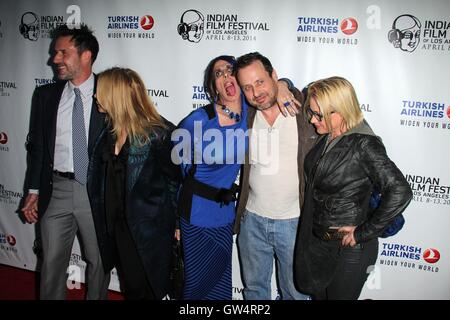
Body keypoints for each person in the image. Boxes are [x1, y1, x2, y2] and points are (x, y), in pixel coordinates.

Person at [172, 54, 297, 300]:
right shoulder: (198, 120)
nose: (226, 77)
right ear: (213, 86)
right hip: (196, 212)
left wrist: (284, 85)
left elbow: (275, 85)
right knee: (197, 285)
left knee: (220, 282)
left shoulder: (251, 112)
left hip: (226, 213)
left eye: (230, 71)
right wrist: (176, 220)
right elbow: (177, 170)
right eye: (218, 74)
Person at [294, 76, 413, 300]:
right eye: (311, 112)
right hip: (319, 243)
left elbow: (400, 191)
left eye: (318, 115)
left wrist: (363, 232)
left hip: (349, 250)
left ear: (340, 111)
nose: (312, 120)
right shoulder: (328, 135)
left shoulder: (364, 144)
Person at [21, 24, 109, 299]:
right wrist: (33, 191)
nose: (55, 59)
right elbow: (37, 148)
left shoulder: (111, 92)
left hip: (96, 192)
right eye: (55, 53)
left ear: (86, 55)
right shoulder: (45, 96)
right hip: (55, 189)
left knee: (100, 265)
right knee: (51, 265)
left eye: (63, 52)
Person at [88, 67, 179, 299]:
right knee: (133, 288)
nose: (95, 96)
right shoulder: (107, 132)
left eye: (100, 91)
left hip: (149, 231)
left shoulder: (159, 133)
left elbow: (177, 182)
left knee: (147, 290)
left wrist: (178, 225)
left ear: (115, 95)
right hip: (117, 228)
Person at [234, 52, 317, 300]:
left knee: (296, 294)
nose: (256, 92)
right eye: (247, 87)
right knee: (254, 291)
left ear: (274, 75)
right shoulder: (245, 116)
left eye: (260, 82)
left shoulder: (304, 110)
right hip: (252, 222)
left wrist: (285, 86)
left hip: (295, 223)